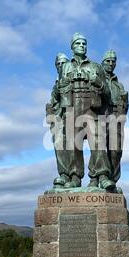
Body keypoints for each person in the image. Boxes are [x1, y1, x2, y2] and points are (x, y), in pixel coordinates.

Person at [58, 33, 115, 190]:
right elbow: (60, 90)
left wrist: (99, 84)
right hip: (72, 109)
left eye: (84, 43)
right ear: (72, 47)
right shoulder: (66, 67)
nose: (82, 46)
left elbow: (108, 94)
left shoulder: (95, 67)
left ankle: (102, 176)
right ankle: (75, 177)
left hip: (91, 110)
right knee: (74, 146)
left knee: (97, 143)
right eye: (78, 43)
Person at [101, 50, 128, 185]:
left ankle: (112, 181)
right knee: (100, 150)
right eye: (108, 61)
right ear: (103, 62)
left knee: (116, 151)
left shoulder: (119, 85)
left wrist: (124, 103)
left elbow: (125, 105)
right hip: (101, 116)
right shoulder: (98, 79)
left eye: (113, 61)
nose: (111, 64)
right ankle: (101, 178)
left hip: (117, 118)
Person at [46, 53, 71, 189]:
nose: (61, 66)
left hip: (78, 116)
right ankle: (64, 175)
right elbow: (53, 103)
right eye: (58, 64)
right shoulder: (56, 83)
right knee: (59, 142)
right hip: (59, 118)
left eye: (63, 63)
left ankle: (97, 177)